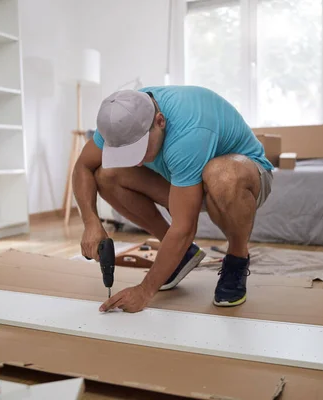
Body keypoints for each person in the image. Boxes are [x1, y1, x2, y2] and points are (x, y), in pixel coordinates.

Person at [72, 85, 273, 313]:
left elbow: (185, 228)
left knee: (220, 175)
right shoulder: (119, 120)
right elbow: (83, 167)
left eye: (139, 150)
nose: (136, 162)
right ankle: (181, 257)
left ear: (160, 121)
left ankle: (237, 258)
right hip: (183, 179)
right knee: (107, 175)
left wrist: (145, 290)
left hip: (242, 179)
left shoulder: (189, 131)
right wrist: (91, 222)